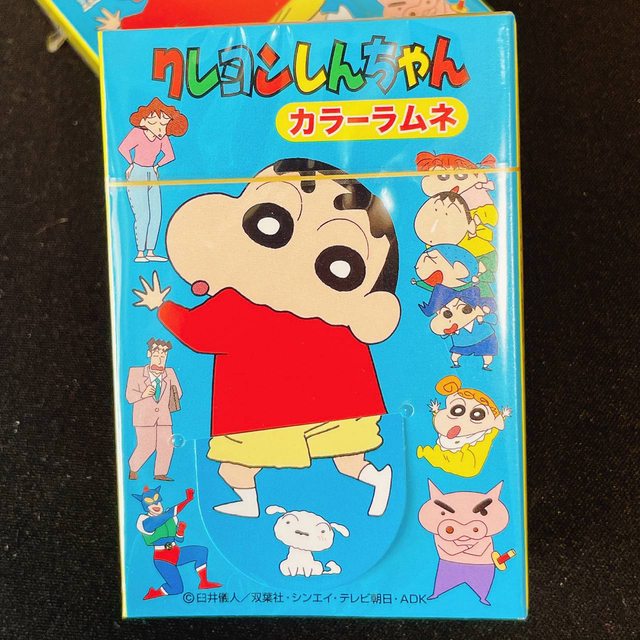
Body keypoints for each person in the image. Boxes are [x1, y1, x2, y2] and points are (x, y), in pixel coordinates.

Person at [133, 158, 402, 518]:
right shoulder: (341, 316)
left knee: (236, 466)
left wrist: (162, 307)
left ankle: (248, 502)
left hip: (261, 413)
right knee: (350, 459)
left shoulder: (241, 305)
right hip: (341, 407)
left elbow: (197, 333)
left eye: (339, 265)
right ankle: (375, 478)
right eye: (270, 224)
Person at [118, 98, 188, 263]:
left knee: (156, 213)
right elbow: (123, 148)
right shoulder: (137, 133)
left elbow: (170, 155)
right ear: (144, 120)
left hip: (152, 173)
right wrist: (131, 164)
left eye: (164, 124)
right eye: (156, 122)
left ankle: (150, 251)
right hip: (138, 173)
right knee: (142, 215)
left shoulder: (162, 138)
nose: (160, 128)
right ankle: (140, 253)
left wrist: (157, 166)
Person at [126, 338, 182, 481]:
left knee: (167, 445)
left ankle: (160, 473)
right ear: (149, 354)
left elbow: (178, 392)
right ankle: (133, 468)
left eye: (163, 356)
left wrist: (171, 393)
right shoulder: (136, 372)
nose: (160, 359)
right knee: (147, 445)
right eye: (157, 355)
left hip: (164, 417)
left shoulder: (169, 372)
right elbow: (129, 396)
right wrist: (143, 394)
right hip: (144, 417)